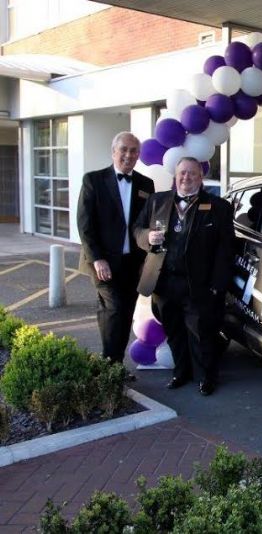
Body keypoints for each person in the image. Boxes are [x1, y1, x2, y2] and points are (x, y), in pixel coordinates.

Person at [133, 157, 234, 396]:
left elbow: (226, 249)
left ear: (200, 177)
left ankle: (206, 377)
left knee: (201, 332)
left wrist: (217, 285)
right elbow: (137, 229)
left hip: (198, 284)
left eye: (191, 174)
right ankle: (181, 372)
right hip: (164, 281)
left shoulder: (218, 207)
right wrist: (147, 237)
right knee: (175, 331)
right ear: (175, 176)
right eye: (182, 174)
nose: (186, 178)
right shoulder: (158, 201)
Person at [77, 132, 154, 372]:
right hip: (102, 261)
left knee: (125, 310)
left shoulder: (145, 184)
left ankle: (115, 365)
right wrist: (97, 258)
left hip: (132, 263)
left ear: (139, 155)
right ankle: (109, 366)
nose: (128, 155)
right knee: (114, 309)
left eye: (134, 151)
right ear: (113, 151)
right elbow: (84, 224)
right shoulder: (93, 180)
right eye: (124, 149)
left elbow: (145, 224)